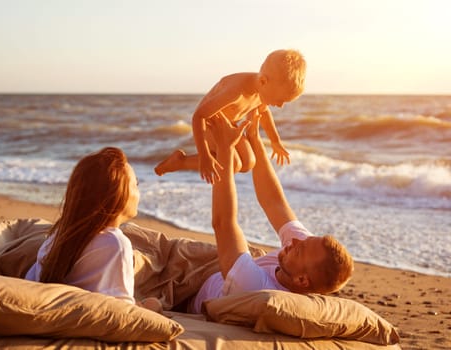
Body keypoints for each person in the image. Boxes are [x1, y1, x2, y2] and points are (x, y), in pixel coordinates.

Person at [189, 114, 354, 313]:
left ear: (301, 280)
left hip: (192, 297)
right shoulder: (303, 253)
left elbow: (223, 223)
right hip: (214, 270)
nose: (294, 241)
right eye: (305, 240)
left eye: (299, 250)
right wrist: (254, 138)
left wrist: (225, 148)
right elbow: (274, 203)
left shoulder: (255, 287)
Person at [25, 147, 161, 312]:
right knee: (154, 303)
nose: (138, 192)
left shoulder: (57, 237)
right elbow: (122, 313)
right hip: (90, 318)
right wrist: (150, 307)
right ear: (118, 193)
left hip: (58, 311)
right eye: (135, 184)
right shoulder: (115, 243)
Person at [154, 49, 306, 184]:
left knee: (248, 163)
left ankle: (191, 159)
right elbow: (199, 116)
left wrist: (276, 141)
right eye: (280, 100)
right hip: (208, 125)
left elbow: (264, 112)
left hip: (228, 125)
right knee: (233, 164)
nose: (280, 106)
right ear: (263, 81)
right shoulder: (235, 92)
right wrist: (205, 156)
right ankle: (181, 162)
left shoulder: (263, 89)